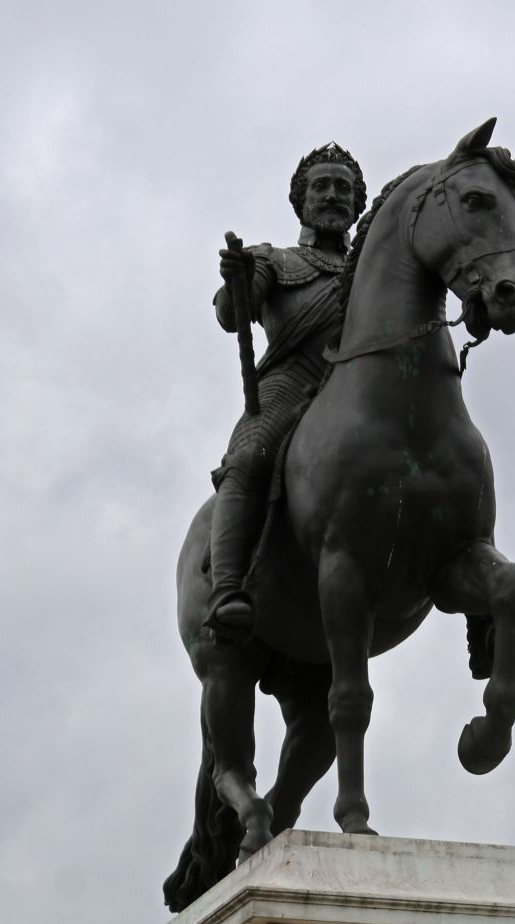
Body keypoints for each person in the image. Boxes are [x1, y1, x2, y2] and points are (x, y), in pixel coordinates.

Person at [206, 142, 367, 641]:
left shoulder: (376, 268)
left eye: (343, 188)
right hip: (292, 383)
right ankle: (226, 588)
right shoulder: (273, 259)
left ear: (357, 202)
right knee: (250, 457)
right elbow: (230, 315)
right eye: (322, 186)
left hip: (364, 386)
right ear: (301, 200)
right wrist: (236, 281)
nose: (333, 195)